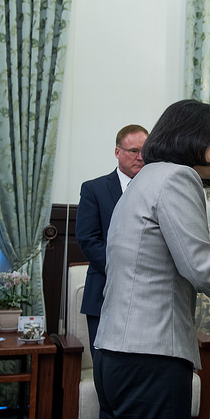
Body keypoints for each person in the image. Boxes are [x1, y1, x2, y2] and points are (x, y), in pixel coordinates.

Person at [92, 100, 210, 419]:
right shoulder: (178, 178)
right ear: (193, 136)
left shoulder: (144, 178)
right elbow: (201, 267)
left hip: (115, 353)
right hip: (151, 356)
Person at [76, 124, 148, 357]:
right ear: (118, 152)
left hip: (147, 299)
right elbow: (88, 239)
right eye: (133, 151)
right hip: (104, 292)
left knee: (138, 372)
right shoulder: (94, 189)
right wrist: (127, 269)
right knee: (105, 368)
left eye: (145, 152)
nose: (140, 157)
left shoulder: (157, 190)